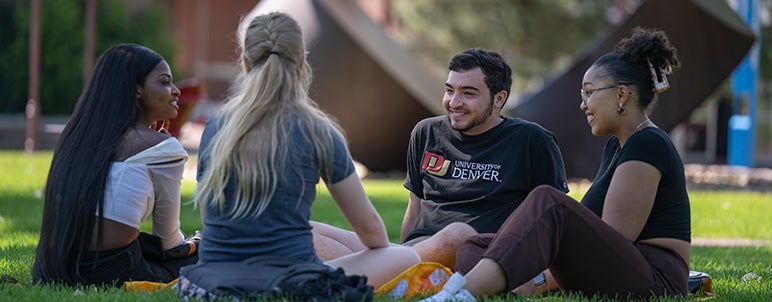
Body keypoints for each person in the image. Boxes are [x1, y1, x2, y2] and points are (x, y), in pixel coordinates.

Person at [421, 27, 690, 301]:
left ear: (621, 95)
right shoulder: (617, 146)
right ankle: (491, 283)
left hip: (655, 279)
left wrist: (539, 278)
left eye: (589, 93)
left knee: (548, 199)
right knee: (474, 247)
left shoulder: (648, 143)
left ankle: (460, 294)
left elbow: (614, 241)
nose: (583, 105)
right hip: (617, 268)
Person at [193, 11, 419, 289]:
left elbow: (209, 218)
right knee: (404, 256)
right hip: (291, 282)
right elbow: (371, 231)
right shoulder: (317, 130)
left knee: (315, 232)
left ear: (245, 63)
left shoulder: (217, 127)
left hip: (212, 279)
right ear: (302, 62)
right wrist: (376, 251)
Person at [313, 48, 569, 269]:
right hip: (416, 251)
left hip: (476, 254)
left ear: (499, 99)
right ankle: (389, 272)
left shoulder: (532, 140)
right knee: (308, 229)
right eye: (450, 90)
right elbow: (414, 208)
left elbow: (554, 217)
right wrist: (399, 251)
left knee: (458, 234)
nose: (454, 102)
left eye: (468, 93)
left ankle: (359, 272)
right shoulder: (426, 132)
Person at [32, 44, 199, 286]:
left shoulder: (79, 137)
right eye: (164, 82)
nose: (175, 91)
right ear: (137, 90)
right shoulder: (162, 147)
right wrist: (195, 244)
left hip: (60, 265)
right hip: (115, 271)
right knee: (212, 255)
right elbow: (168, 242)